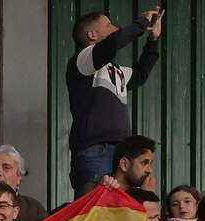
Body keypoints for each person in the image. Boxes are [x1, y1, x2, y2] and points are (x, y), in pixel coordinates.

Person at [66, 7, 164, 195]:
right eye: (108, 25)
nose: (115, 28)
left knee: (119, 212)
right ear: (92, 34)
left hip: (121, 151)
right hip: (95, 150)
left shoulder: (115, 70)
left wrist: (154, 40)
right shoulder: (83, 59)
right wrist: (142, 22)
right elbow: (114, 42)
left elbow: (140, 74)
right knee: (95, 212)